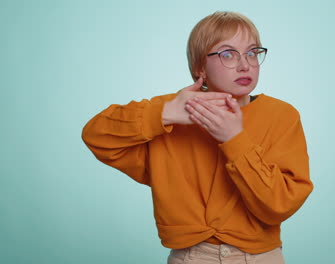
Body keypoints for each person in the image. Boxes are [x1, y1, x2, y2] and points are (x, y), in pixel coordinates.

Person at [82, 11, 313, 264]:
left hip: (261, 257)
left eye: (252, 52)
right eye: (227, 54)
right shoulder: (170, 111)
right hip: (190, 257)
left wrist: (234, 140)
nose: (245, 64)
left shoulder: (281, 116)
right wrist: (164, 113)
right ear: (199, 67)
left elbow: (279, 205)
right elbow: (97, 136)